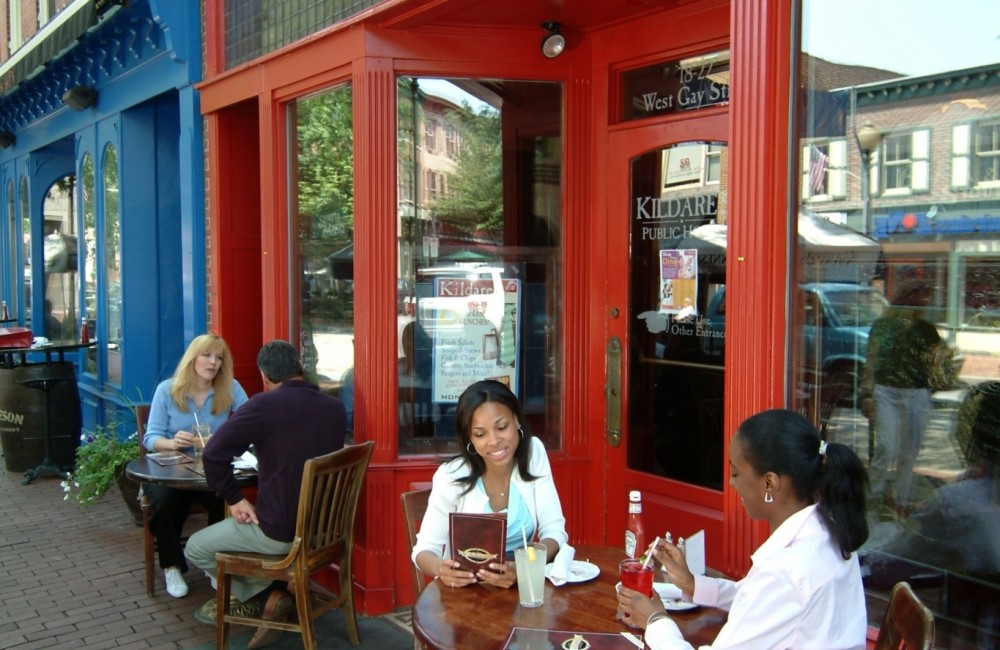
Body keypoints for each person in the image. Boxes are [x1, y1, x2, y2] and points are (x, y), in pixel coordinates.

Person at [616, 409, 869, 650]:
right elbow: (760, 601)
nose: (730, 482)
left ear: (769, 482)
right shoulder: (828, 529)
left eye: (736, 473)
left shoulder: (786, 570)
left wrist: (655, 619)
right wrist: (693, 584)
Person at [184, 340, 346, 649]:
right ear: (300, 368)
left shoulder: (262, 405)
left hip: (282, 533)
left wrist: (235, 499)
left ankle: (263, 597)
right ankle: (275, 594)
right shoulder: (334, 407)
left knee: (195, 548)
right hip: (325, 531)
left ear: (265, 376)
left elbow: (213, 455)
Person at [412, 379, 567, 588]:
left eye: (502, 427)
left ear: (516, 420)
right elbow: (423, 551)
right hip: (466, 595)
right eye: (480, 434)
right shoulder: (450, 477)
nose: (493, 441)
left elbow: (554, 531)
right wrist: (441, 568)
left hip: (522, 589)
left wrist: (523, 567)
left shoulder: (533, 453)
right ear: (470, 438)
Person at [142, 333, 249, 599]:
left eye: (219, 357)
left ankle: (213, 562)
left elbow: (250, 426)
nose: (213, 362)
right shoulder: (168, 390)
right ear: (193, 358)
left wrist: (221, 441)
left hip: (210, 469)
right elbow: (150, 438)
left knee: (221, 498)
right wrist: (172, 442)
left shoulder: (231, 388)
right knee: (166, 503)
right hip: (172, 470)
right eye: (207, 355)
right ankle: (171, 565)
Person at [861, 280, 942, 512]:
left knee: (911, 449)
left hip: (917, 393)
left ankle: (900, 498)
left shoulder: (927, 330)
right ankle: (874, 496)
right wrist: (866, 393)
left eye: (924, 301)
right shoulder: (884, 325)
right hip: (887, 391)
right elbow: (872, 360)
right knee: (887, 445)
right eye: (917, 300)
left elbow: (936, 364)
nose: (922, 305)